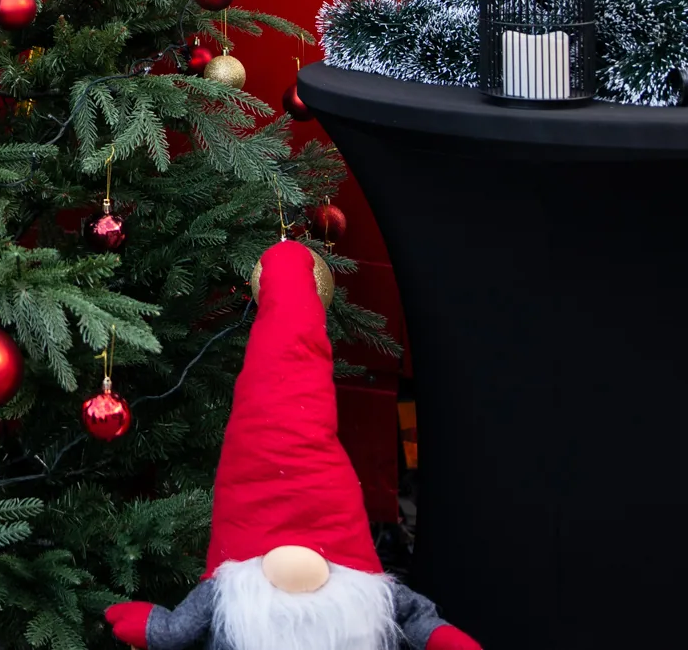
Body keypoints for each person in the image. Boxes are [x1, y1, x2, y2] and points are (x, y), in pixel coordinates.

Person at [102, 242, 482, 650]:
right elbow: (413, 617)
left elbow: (173, 631)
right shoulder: (357, 600)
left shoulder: (233, 596)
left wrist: (149, 627)